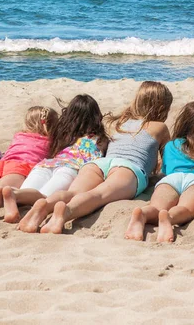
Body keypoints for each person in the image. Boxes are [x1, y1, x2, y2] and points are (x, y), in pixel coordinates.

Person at [18, 81, 172, 234]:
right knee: (97, 195)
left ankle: (44, 205)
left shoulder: (121, 122)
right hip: (128, 168)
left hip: (100, 164)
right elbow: (168, 163)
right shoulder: (160, 127)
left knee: (73, 193)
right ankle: (66, 213)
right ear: (162, 107)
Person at [0, 94, 109, 223]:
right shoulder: (101, 139)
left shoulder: (63, 134)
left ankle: (12, 193)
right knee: (44, 198)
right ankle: (13, 194)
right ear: (96, 117)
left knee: (27, 192)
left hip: (45, 165)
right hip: (71, 168)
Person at [125, 101, 194, 242]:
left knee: (156, 207)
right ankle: (169, 218)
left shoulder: (171, 145)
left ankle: (143, 214)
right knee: (186, 209)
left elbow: (165, 170)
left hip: (171, 179)